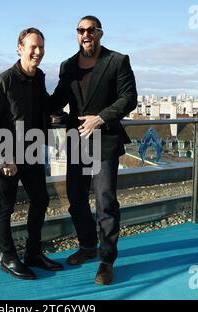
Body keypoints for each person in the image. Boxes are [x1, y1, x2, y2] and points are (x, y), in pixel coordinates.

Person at [50, 16, 138, 285]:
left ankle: (106, 260)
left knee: (105, 202)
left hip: (105, 139)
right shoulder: (67, 67)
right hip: (77, 140)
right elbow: (57, 101)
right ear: (77, 34)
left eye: (90, 30)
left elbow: (129, 98)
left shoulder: (117, 61)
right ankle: (88, 245)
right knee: (76, 198)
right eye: (81, 30)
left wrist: (101, 117)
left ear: (100, 33)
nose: (85, 34)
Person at [0, 28, 63, 280]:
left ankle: (33, 253)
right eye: (33, 47)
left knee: (41, 200)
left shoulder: (38, 78)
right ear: (20, 48)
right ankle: (7, 257)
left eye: (41, 47)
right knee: (5, 207)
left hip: (31, 150)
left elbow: (46, 108)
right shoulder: (3, 81)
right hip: (8, 154)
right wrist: (2, 156)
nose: (38, 52)